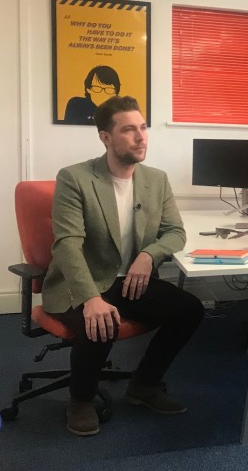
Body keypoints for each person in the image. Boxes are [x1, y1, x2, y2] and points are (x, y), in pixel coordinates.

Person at [42, 95, 205, 436]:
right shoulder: (75, 178)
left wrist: (148, 256)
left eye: (143, 128)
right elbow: (67, 244)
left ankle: (143, 385)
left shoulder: (155, 180)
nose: (141, 137)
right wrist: (91, 298)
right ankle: (81, 399)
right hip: (81, 281)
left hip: (129, 279)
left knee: (189, 309)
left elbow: (175, 232)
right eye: (129, 130)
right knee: (101, 321)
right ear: (106, 137)